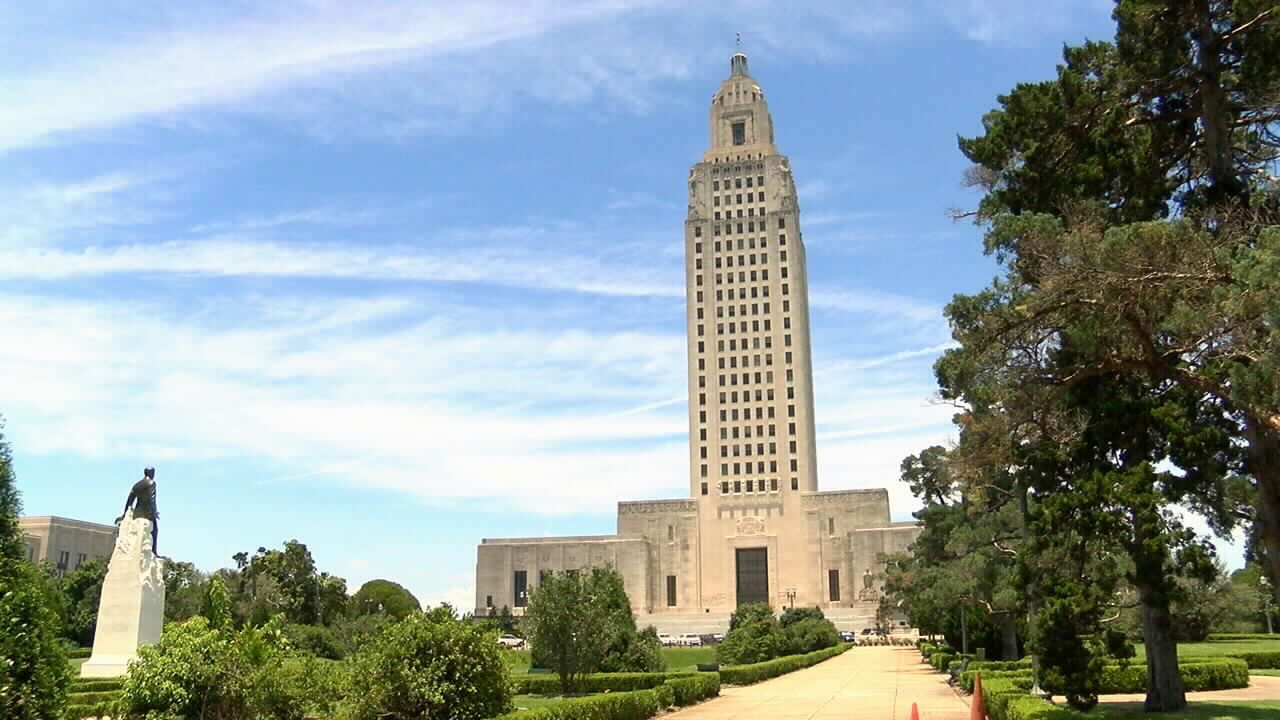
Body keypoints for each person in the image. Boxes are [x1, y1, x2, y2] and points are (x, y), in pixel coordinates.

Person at [117, 467, 159, 554]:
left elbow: (130, 500)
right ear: (151, 473)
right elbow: (152, 499)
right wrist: (154, 512)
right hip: (147, 513)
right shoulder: (151, 483)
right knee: (154, 530)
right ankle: (153, 551)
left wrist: (125, 513)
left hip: (137, 513)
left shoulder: (137, 485)